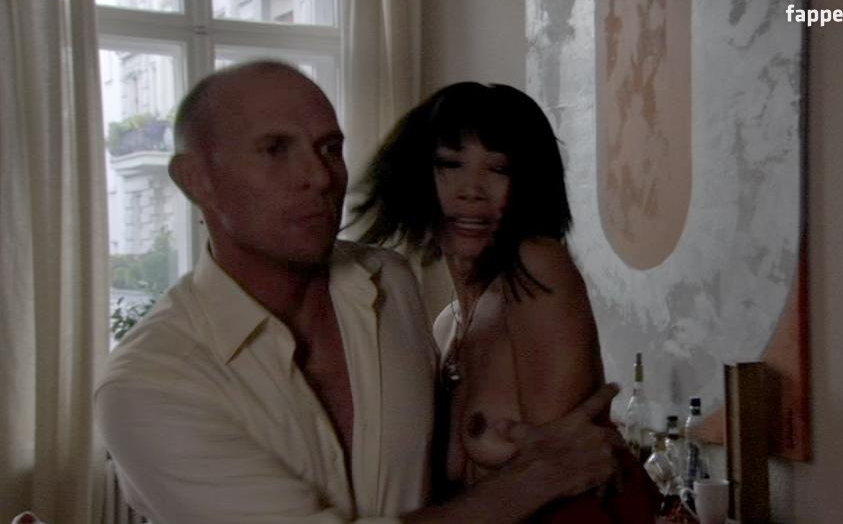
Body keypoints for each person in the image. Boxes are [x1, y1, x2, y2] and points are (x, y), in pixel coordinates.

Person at [94, 62, 624, 524]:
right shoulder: (149, 384)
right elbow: (546, 470)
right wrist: (530, 480)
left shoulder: (391, 283)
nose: (320, 176)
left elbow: (575, 466)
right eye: (276, 149)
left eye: (330, 148)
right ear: (196, 180)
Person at [353, 82, 657, 522]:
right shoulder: (447, 324)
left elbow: (569, 480)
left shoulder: (535, 264)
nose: (472, 190)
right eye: (450, 165)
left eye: (498, 169)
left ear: (528, 183)